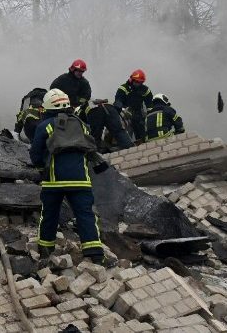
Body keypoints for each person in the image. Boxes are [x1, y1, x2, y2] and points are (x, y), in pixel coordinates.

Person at [29, 89, 110, 265]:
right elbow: (90, 146)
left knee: (50, 214)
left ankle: (45, 250)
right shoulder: (80, 124)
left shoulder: (45, 126)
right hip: (80, 179)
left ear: (48, 106)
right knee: (85, 214)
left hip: (54, 180)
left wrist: (41, 168)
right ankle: (94, 253)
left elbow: (35, 153)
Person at [114, 69, 153, 144]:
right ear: (132, 79)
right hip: (125, 113)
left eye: (141, 82)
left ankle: (142, 144)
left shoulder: (145, 90)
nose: (138, 84)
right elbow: (118, 99)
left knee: (141, 130)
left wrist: (149, 115)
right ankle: (125, 145)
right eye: (137, 82)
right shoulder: (123, 88)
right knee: (125, 131)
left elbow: (149, 104)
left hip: (138, 113)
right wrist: (119, 105)